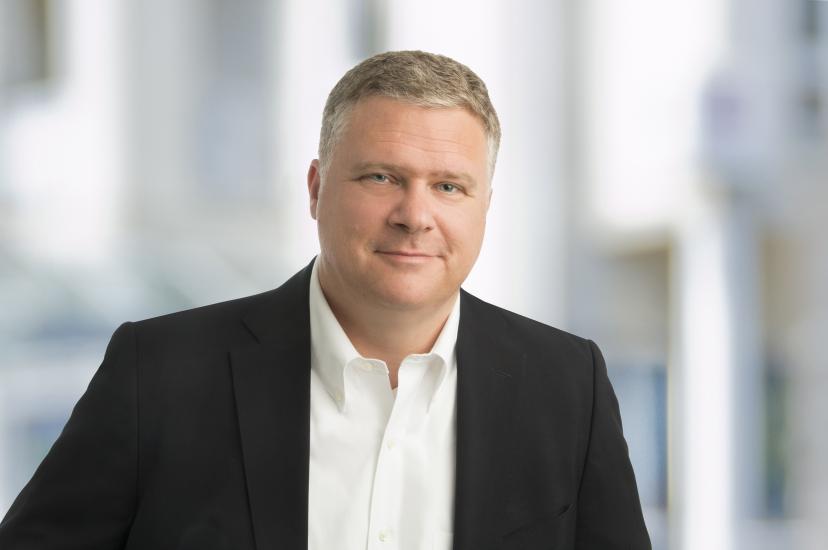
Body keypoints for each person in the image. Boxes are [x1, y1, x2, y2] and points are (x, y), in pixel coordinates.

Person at [0, 50, 651, 550]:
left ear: (485, 206)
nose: (414, 215)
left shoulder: (567, 387)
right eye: (382, 177)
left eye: (449, 187)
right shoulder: (161, 373)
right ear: (316, 189)